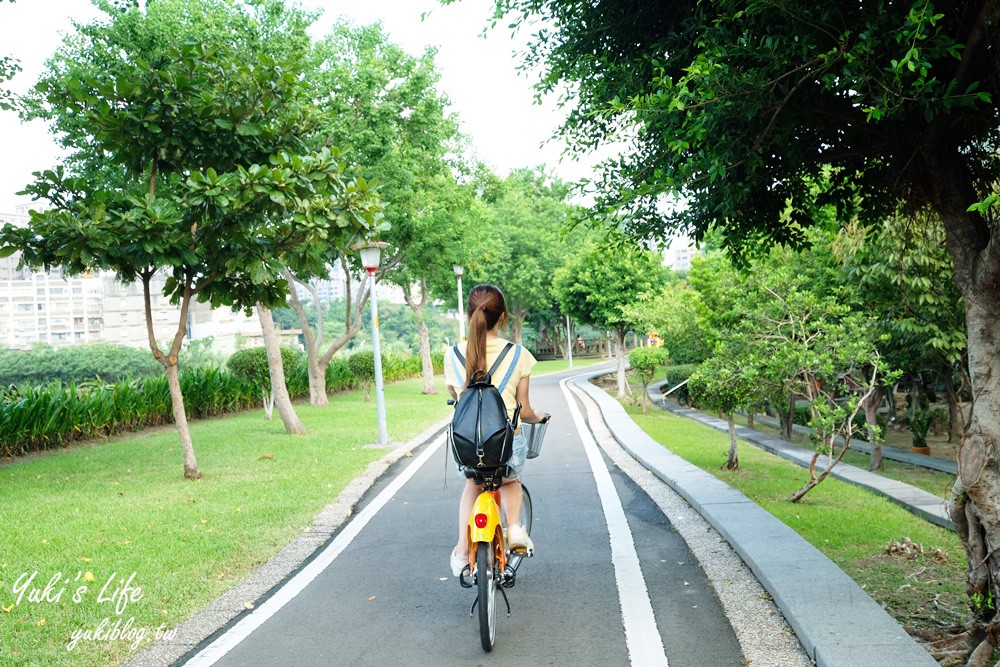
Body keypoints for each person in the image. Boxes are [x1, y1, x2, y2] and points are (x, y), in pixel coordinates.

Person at [445, 284, 548, 577]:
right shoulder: (519, 355)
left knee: (471, 486)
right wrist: (536, 417)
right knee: (510, 481)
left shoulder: (452, 355)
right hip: (505, 444)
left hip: (467, 446)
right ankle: (514, 528)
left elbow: (459, 401)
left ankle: (464, 550)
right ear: (502, 317)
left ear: (469, 316)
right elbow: (524, 410)